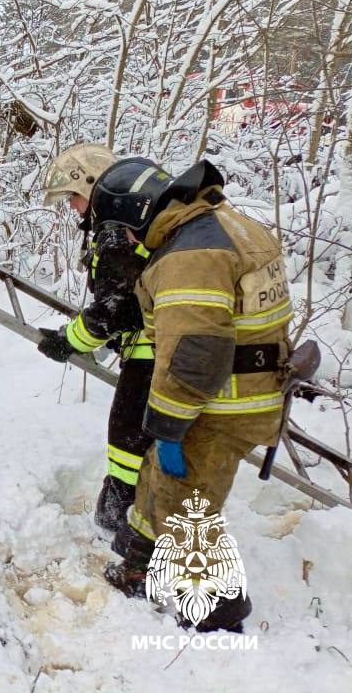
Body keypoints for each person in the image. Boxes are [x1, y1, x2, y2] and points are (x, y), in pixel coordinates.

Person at [91, 158, 293, 632]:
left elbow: (194, 356)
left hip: (223, 403)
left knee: (185, 500)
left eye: (126, 232)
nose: (131, 244)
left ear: (138, 214)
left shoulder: (189, 257)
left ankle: (218, 610)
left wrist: (168, 427)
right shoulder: (229, 225)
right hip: (254, 388)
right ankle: (137, 562)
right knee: (156, 475)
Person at [36, 145, 155, 532]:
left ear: (93, 185)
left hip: (153, 354)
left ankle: (123, 519)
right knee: (140, 439)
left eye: (73, 196)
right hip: (161, 348)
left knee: (127, 441)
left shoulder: (116, 234)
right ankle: (131, 512)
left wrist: (67, 341)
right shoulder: (134, 224)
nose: (71, 206)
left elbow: (115, 310)